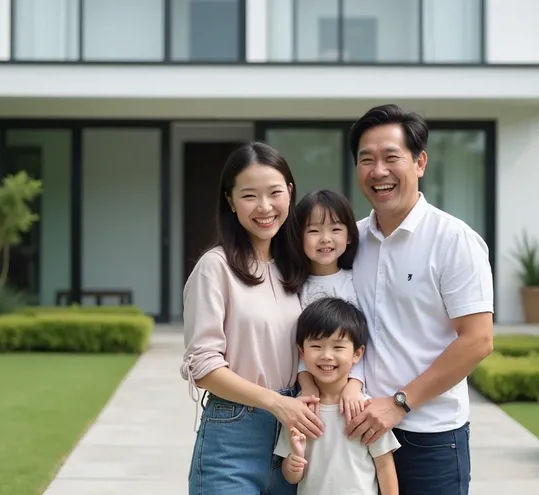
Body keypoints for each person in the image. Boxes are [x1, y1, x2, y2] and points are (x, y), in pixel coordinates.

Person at [343, 104, 495, 495]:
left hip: (430, 437)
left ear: (420, 162)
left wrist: (399, 404)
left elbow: (478, 340)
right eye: (366, 159)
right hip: (359, 432)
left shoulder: (452, 240)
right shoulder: (350, 242)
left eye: (391, 157)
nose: (379, 171)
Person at [180, 142, 326, 494]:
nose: (264, 207)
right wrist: (277, 403)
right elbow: (204, 368)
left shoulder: (300, 269)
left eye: (274, 193)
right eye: (249, 196)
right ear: (230, 202)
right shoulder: (214, 269)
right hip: (234, 435)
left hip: (295, 440)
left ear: (289, 193)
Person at [274, 297, 400, 495]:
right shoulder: (297, 410)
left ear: (357, 354)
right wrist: (293, 463)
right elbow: (291, 477)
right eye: (316, 346)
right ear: (302, 352)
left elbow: (384, 466)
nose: (326, 355)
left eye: (338, 347)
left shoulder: (367, 410)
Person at [292, 190, 368, 421]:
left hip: (350, 400)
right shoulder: (293, 287)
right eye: (314, 231)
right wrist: (306, 385)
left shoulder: (356, 282)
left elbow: (362, 342)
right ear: (298, 236)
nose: (325, 238)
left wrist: (354, 385)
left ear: (349, 236)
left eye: (335, 229)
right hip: (307, 399)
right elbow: (296, 346)